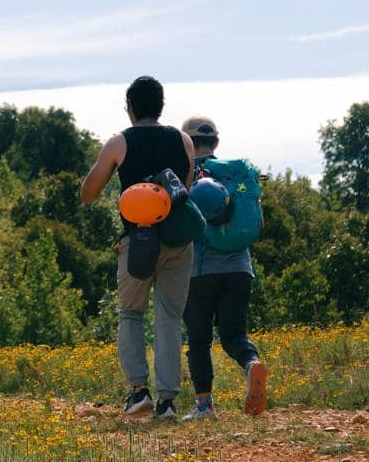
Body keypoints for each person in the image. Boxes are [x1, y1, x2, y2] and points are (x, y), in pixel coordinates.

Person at [80, 76, 195, 419]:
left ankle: (138, 392)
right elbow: (184, 188)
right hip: (177, 240)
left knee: (131, 313)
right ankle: (168, 402)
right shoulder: (184, 140)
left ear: (130, 107)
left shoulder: (119, 143)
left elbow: (88, 194)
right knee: (169, 318)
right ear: (161, 106)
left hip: (138, 241)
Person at [179, 116, 267, 420]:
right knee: (233, 335)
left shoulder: (185, 178)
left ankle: (204, 406)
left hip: (200, 273)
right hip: (240, 269)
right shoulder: (236, 176)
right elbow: (258, 221)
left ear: (185, 144)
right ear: (216, 143)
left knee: (199, 340)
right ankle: (251, 364)